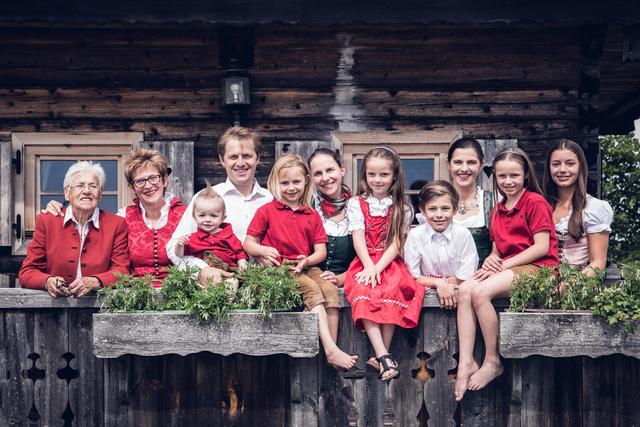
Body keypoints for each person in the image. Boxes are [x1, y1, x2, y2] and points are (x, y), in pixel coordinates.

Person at [454, 147, 558, 401]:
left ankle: (492, 360)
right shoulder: (498, 209)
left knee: (480, 291)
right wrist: (492, 261)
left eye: (514, 175)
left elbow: (541, 247)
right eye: (502, 177)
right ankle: (466, 362)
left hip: (540, 270)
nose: (508, 182)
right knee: (465, 288)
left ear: (525, 176)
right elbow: (496, 251)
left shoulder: (535, 202)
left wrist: (503, 264)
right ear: (495, 178)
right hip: (511, 266)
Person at [244, 155, 357, 371]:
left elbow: (320, 252)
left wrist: (307, 260)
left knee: (329, 289)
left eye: (296, 182)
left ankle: (331, 348)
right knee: (312, 289)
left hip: (306, 265)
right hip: (280, 268)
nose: (291, 188)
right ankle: (331, 350)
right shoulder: (267, 210)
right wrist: (263, 250)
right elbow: (248, 243)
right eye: (284, 183)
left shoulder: (311, 214)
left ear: (306, 181)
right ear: (275, 183)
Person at [43, 148, 187, 285]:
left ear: (165, 180)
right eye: (140, 181)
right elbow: (89, 219)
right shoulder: (123, 217)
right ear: (132, 187)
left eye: (153, 178)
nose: (148, 186)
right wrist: (59, 208)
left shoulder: (186, 214)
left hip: (180, 299)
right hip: (133, 300)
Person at [343, 146, 425, 382]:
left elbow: (397, 243)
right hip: (364, 259)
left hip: (390, 261)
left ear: (394, 176)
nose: (377, 180)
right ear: (364, 176)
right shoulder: (356, 203)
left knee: (391, 290)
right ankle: (384, 356)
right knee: (363, 290)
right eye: (372, 174)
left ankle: (380, 356)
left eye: (383, 175)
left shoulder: (404, 207)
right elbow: (358, 237)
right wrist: (369, 266)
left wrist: (379, 269)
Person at [167, 126, 272, 284]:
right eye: (233, 157)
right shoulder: (206, 198)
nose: (240, 163)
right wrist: (202, 269)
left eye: (247, 156)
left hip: (266, 286)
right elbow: (173, 248)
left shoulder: (271, 199)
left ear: (258, 159)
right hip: (219, 288)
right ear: (222, 160)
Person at [20, 161, 129, 297]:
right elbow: (27, 272)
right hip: (54, 310)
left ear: (100, 194)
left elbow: (122, 271)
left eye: (93, 186)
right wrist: (47, 281)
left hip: (99, 306)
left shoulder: (116, 224)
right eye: (80, 185)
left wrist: (96, 281)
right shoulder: (47, 221)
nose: (87, 191)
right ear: (67, 193)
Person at [404, 181, 478, 310]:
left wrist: (440, 284)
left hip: (459, 298)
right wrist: (439, 283)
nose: (439, 215)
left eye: (445, 208)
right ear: (423, 211)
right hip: (423, 303)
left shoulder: (463, 234)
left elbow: (465, 277)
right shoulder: (415, 235)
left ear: (454, 209)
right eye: (432, 209)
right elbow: (412, 276)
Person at [543, 139, 613, 273]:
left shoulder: (594, 208)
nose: (562, 169)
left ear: (580, 167)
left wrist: (568, 286)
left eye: (570, 164)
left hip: (576, 285)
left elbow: (597, 264)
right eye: (556, 164)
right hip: (539, 283)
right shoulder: (540, 205)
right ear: (549, 168)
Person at [175, 182, 248, 286]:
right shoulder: (192, 238)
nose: (207, 220)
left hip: (229, 270)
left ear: (223, 217)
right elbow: (180, 255)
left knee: (233, 280)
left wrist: (242, 262)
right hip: (206, 277)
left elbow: (239, 251)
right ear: (194, 217)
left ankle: (230, 286)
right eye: (202, 215)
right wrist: (179, 245)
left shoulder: (228, 235)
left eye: (213, 216)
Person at [308, 148, 356, 286]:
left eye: (330, 170)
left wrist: (341, 279)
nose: (325, 178)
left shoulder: (357, 209)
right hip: (312, 287)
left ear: (342, 170)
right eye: (318, 173)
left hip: (350, 288)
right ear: (311, 178)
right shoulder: (308, 208)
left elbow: (368, 258)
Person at [447, 137, 493, 263]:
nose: (464, 169)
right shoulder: (436, 202)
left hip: (483, 278)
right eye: (458, 162)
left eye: (471, 162)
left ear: (481, 165)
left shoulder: (492, 202)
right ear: (448, 165)